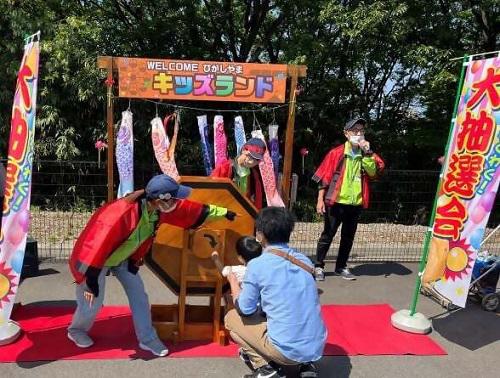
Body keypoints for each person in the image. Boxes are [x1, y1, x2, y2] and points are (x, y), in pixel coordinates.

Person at [67, 174, 236, 356]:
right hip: (95, 261)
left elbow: (188, 210)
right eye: (175, 197)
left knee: (139, 296)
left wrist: (223, 212)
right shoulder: (120, 212)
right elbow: (94, 245)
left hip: (124, 258)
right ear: (160, 200)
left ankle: (147, 338)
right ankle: (76, 330)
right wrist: (89, 281)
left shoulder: (158, 209)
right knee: (92, 301)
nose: (177, 201)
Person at [225, 207, 327, 378]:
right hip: (316, 345)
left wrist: (233, 283)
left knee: (231, 319)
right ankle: (306, 366)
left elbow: (245, 309)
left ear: (259, 235)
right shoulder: (304, 260)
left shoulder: (257, 265)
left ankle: (266, 369)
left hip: (286, 350)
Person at [312, 117, 385, 281]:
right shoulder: (336, 153)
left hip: (355, 202)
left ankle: (341, 267)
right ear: (346, 133)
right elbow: (324, 177)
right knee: (327, 235)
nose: (358, 134)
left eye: (361, 131)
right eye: (355, 130)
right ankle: (318, 266)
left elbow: (374, 172)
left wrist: (367, 153)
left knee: (348, 237)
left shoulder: (366, 153)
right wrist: (319, 200)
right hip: (336, 201)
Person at [211, 138, 267, 209]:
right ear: (244, 150)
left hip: (243, 212)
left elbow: (257, 200)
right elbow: (211, 192)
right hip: (224, 211)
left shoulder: (254, 175)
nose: (251, 162)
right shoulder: (224, 168)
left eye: (256, 160)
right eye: (250, 156)